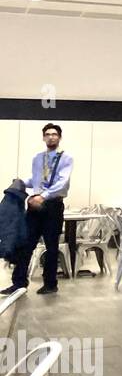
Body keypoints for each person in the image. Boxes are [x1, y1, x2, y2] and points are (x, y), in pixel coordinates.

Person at [3, 124, 74, 296]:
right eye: (48, 134)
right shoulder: (37, 158)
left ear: (60, 137)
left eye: (54, 134)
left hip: (53, 206)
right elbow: (35, 180)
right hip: (35, 206)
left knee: (51, 247)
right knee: (25, 245)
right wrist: (21, 183)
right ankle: (19, 283)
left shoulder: (66, 158)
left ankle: (50, 284)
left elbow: (61, 183)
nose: (51, 137)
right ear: (43, 137)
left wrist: (43, 196)